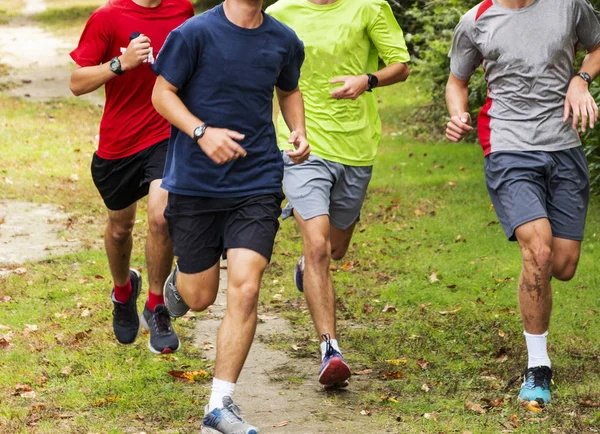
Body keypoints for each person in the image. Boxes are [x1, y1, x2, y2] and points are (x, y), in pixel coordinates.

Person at [150, 0, 309, 431]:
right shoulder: (194, 34)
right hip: (196, 185)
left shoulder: (283, 39)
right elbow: (161, 93)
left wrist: (298, 130)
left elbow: (289, 88)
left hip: (257, 181)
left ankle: (219, 405)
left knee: (246, 287)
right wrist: (201, 132)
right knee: (200, 298)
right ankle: (180, 281)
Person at [446, 0, 600, 404]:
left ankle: (536, 289)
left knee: (562, 266)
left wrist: (582, 77)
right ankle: (538, 365)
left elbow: (599, 45)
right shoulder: (475, 21)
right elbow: (456, 80)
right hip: (507, 146)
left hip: (564, 145)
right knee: (540, 251)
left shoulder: (569, 6)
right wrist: (457, 113)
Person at [265, 0, 410, 388]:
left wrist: (369, 79)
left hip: (356, 148)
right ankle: (330, 349)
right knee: (317, 247)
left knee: (335, 248)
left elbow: (401, 66)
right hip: (302, 146)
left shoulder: (369, 7)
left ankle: (307, 268)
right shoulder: (280, 12)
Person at [69, 0, 193, 354]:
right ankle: (123, 291)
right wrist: (121, 63)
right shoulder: (108, 17)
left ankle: (157, 307)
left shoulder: (182, 10)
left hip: (164, 134)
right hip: (119, 143)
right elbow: (77, 83)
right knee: (120, 228)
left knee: (161, 215)